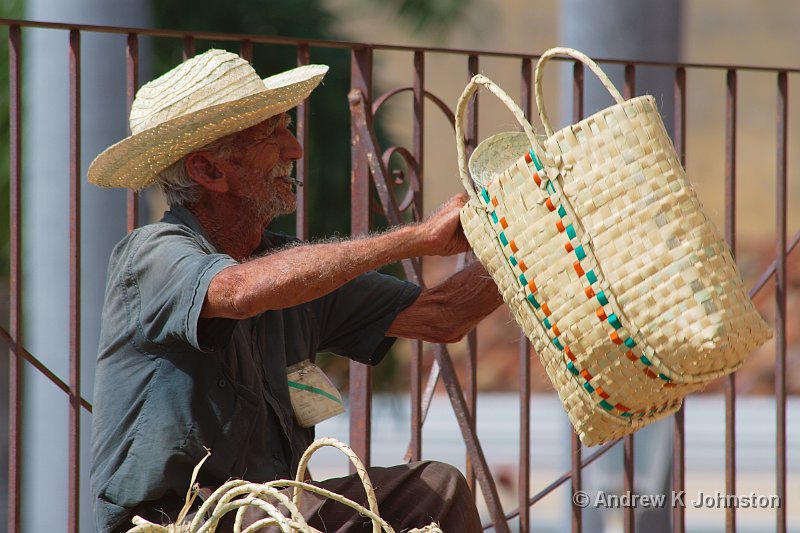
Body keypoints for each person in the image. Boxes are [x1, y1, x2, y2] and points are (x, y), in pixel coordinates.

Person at [89, 49, 502, 533]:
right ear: (209, 171)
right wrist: (415, 239)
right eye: (272, 135)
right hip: (183, 523)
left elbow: (443, 314)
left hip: (272, 514)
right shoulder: (152, 254)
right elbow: (239, 291)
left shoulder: (290, 270)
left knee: (438, 490)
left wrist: (528, 241)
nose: (294, 149)